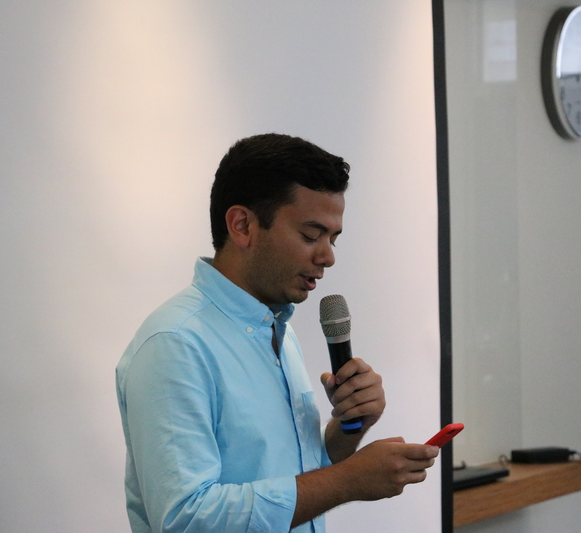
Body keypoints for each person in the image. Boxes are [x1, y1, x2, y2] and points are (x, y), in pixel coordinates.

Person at [115, 133, 439, 533]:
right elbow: (188, 519)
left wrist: (347, 428)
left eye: (333, 239)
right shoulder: (175, 344)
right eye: (311, 235)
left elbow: (293, 474)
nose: (328, 257)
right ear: (242, 225)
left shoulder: (277, 330)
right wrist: (348, 480)